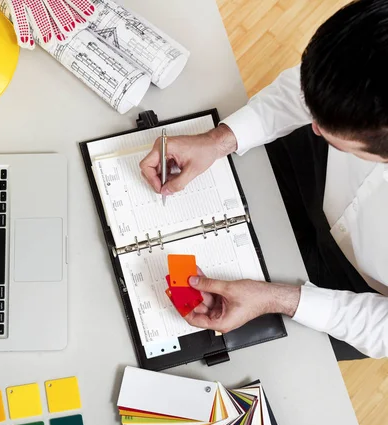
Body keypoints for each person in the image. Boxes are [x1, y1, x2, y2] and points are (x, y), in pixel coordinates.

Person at [139, 0, 388, 360]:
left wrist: (279, 299)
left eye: (328, 127)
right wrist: (216, 140)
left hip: (351, 296)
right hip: (310, 168)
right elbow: (306, 94)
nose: (313, 124)